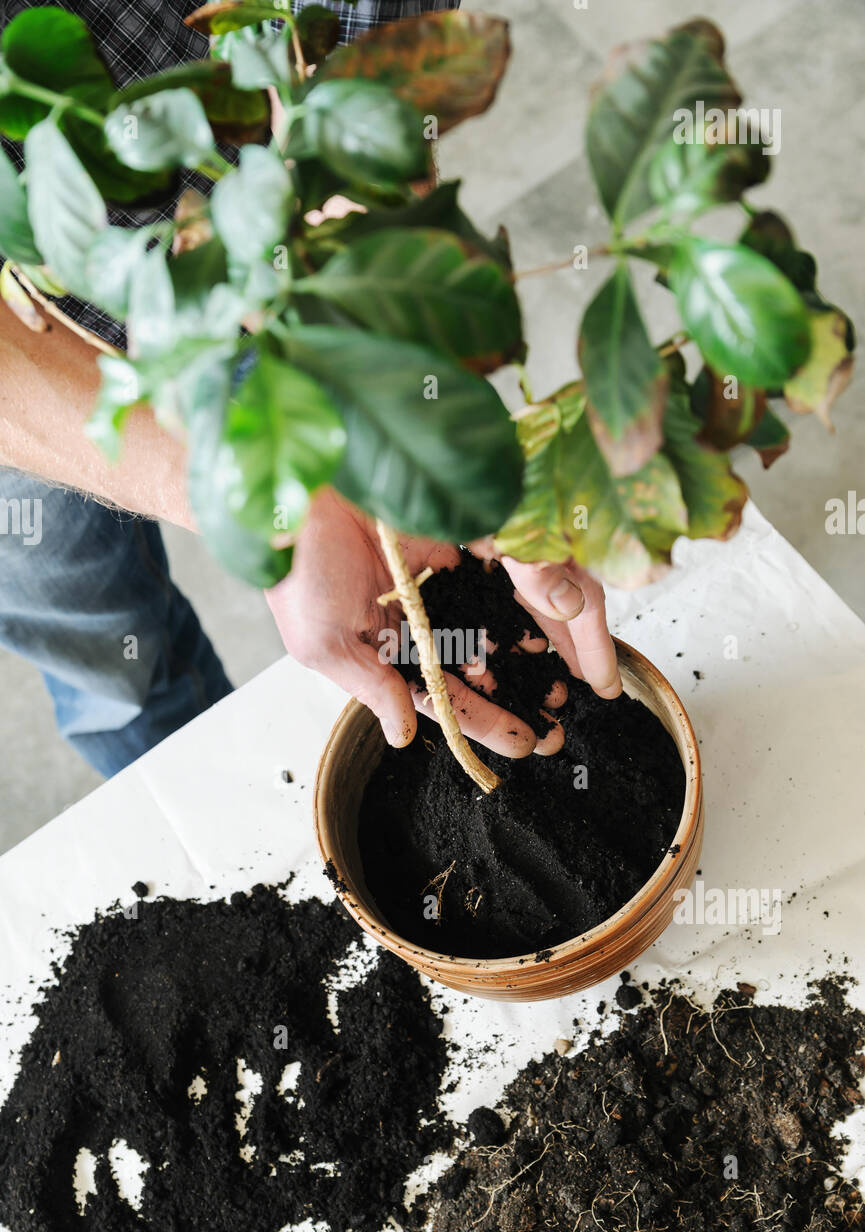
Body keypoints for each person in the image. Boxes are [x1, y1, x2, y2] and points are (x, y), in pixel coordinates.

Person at [0, 0, 621, 781]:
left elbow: (360, 32)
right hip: (16, 398)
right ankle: (198, 811)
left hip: (263, 220)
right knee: (109, 661)